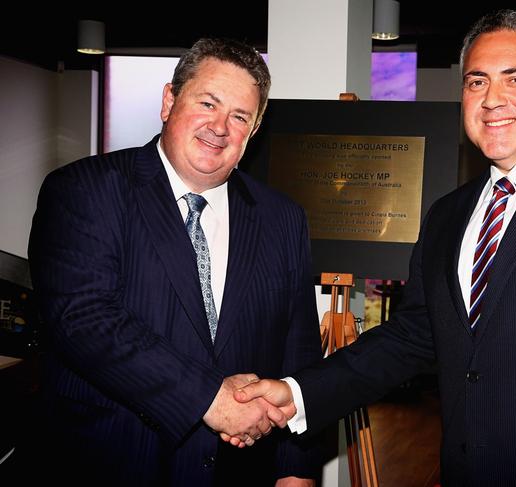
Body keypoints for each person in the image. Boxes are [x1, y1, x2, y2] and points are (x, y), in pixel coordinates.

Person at [233, 10, 516, 486]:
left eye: (515, 78)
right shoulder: (447, 215)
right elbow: (412, 337)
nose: (492, 99)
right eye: (476, 82)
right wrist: (298, 393)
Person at [27, 38, 321, 486]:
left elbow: (297, 347)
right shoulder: (85, 190)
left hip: (238, 471)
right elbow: (84, 320)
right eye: (208, 103)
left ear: (254, 130)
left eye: (240, 116)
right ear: (169, 100)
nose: (220, 127)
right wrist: (209, 398)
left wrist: (295, 470)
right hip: (110, 462)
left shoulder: (284, 219)